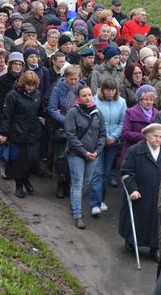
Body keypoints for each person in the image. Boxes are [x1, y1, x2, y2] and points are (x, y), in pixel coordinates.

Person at [119, 123, 161, 260]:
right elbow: (126, 172)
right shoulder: (135, 150)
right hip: (140, 191)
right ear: (147, 136)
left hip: (160, 193)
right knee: (139, 219)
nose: (158, 139)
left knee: (158, 221)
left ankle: (155, 248)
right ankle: (131, 241)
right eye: (155, 136)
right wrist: (132, 189)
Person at [0, 71, 44, 199]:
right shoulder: (12, 95)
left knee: (32, 160)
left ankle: (25, 179)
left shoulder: (37, 95)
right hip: (17, 133)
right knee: (18, 162)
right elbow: (6, 115)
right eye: (28, 85)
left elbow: (40, 111)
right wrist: (4, 133)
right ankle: (19, 185)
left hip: (33, 132)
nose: (30, 88)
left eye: (33, 85)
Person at [65, 86, 106, 229]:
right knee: (78, 182)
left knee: (86, 182)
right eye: (84, 95)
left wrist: (97, 151)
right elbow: (71, 135)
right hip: (76, 153)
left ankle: (74, 203)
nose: (88, 98)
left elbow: (102, 134)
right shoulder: (73, 112)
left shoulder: (97, 113)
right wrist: (84, 152)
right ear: (78, 97)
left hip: (93, 154)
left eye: (89, 95)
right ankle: (78, 215)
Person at [48, 65, 86, 198]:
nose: (74, 82)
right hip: (62, 127)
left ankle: (70, 184)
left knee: (75, 157)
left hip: (78, 128)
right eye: (71, 79)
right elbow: (52, 109)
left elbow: (86, 106)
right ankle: (60, 183)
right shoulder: (58, 89)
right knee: (61, 156)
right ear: (65, 77)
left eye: (76, 79)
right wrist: (67, 121)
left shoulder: (82, 89)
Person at [89, 78, 126, 216]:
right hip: (98, 142)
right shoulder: (95, 101)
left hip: (113, 143)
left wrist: (114, 136)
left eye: (112, 90)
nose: (110, 93)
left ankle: (102, 200)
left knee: (105, 172)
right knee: (97, 172)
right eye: (107, 90)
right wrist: (104, 137)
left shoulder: (121, 102)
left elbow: (123, 122)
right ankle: (94, 203)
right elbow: (93, 121)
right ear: (102, 90)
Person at [120, 85, 159, 161]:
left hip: (152, 152)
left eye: (151, 99)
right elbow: (125, 133)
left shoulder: (158, 113)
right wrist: (145, 137)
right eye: (146, 99)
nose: (149, 102)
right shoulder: (130, 112)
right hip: (133, 151)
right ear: (140, 100)